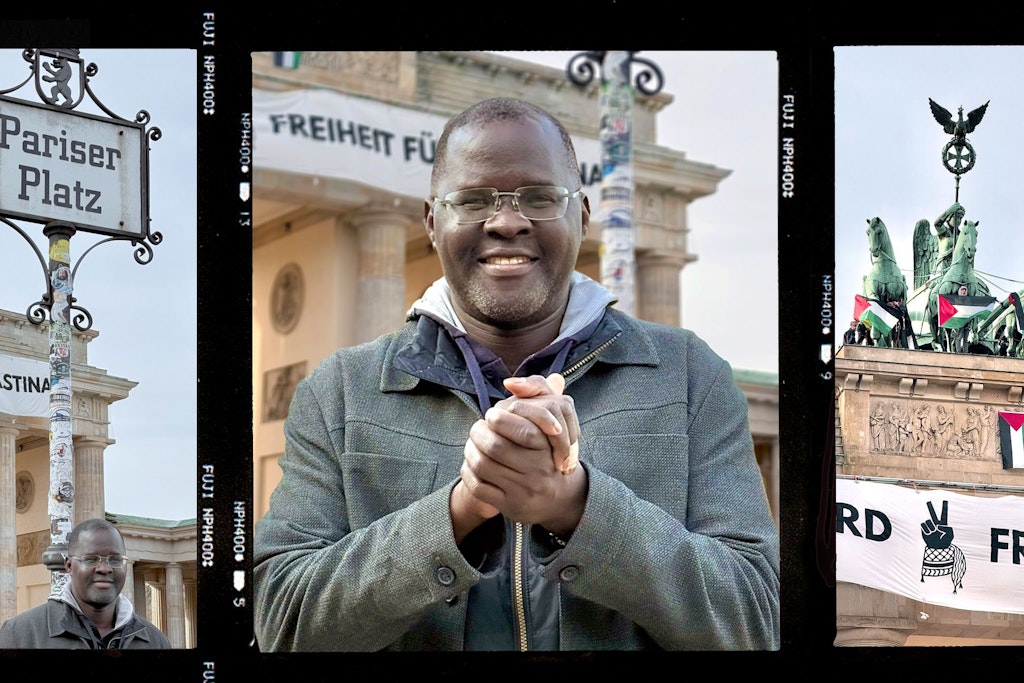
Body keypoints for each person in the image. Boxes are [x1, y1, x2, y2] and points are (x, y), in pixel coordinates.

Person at [253, 97, 780, 651]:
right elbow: (283, 625)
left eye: (539, 198)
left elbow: (757, 621)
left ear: (581, 216)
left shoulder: (688, 375)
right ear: (433, 222)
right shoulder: (341, 392)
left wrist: (576, 506)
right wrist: (462, 509)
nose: (506, 221)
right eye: (474, 200)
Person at [0, 518, 171, 649]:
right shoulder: (20, 635)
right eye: (91, 559)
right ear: (68, 565)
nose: (104, 568)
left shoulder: (155, 641)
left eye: (115, 559)